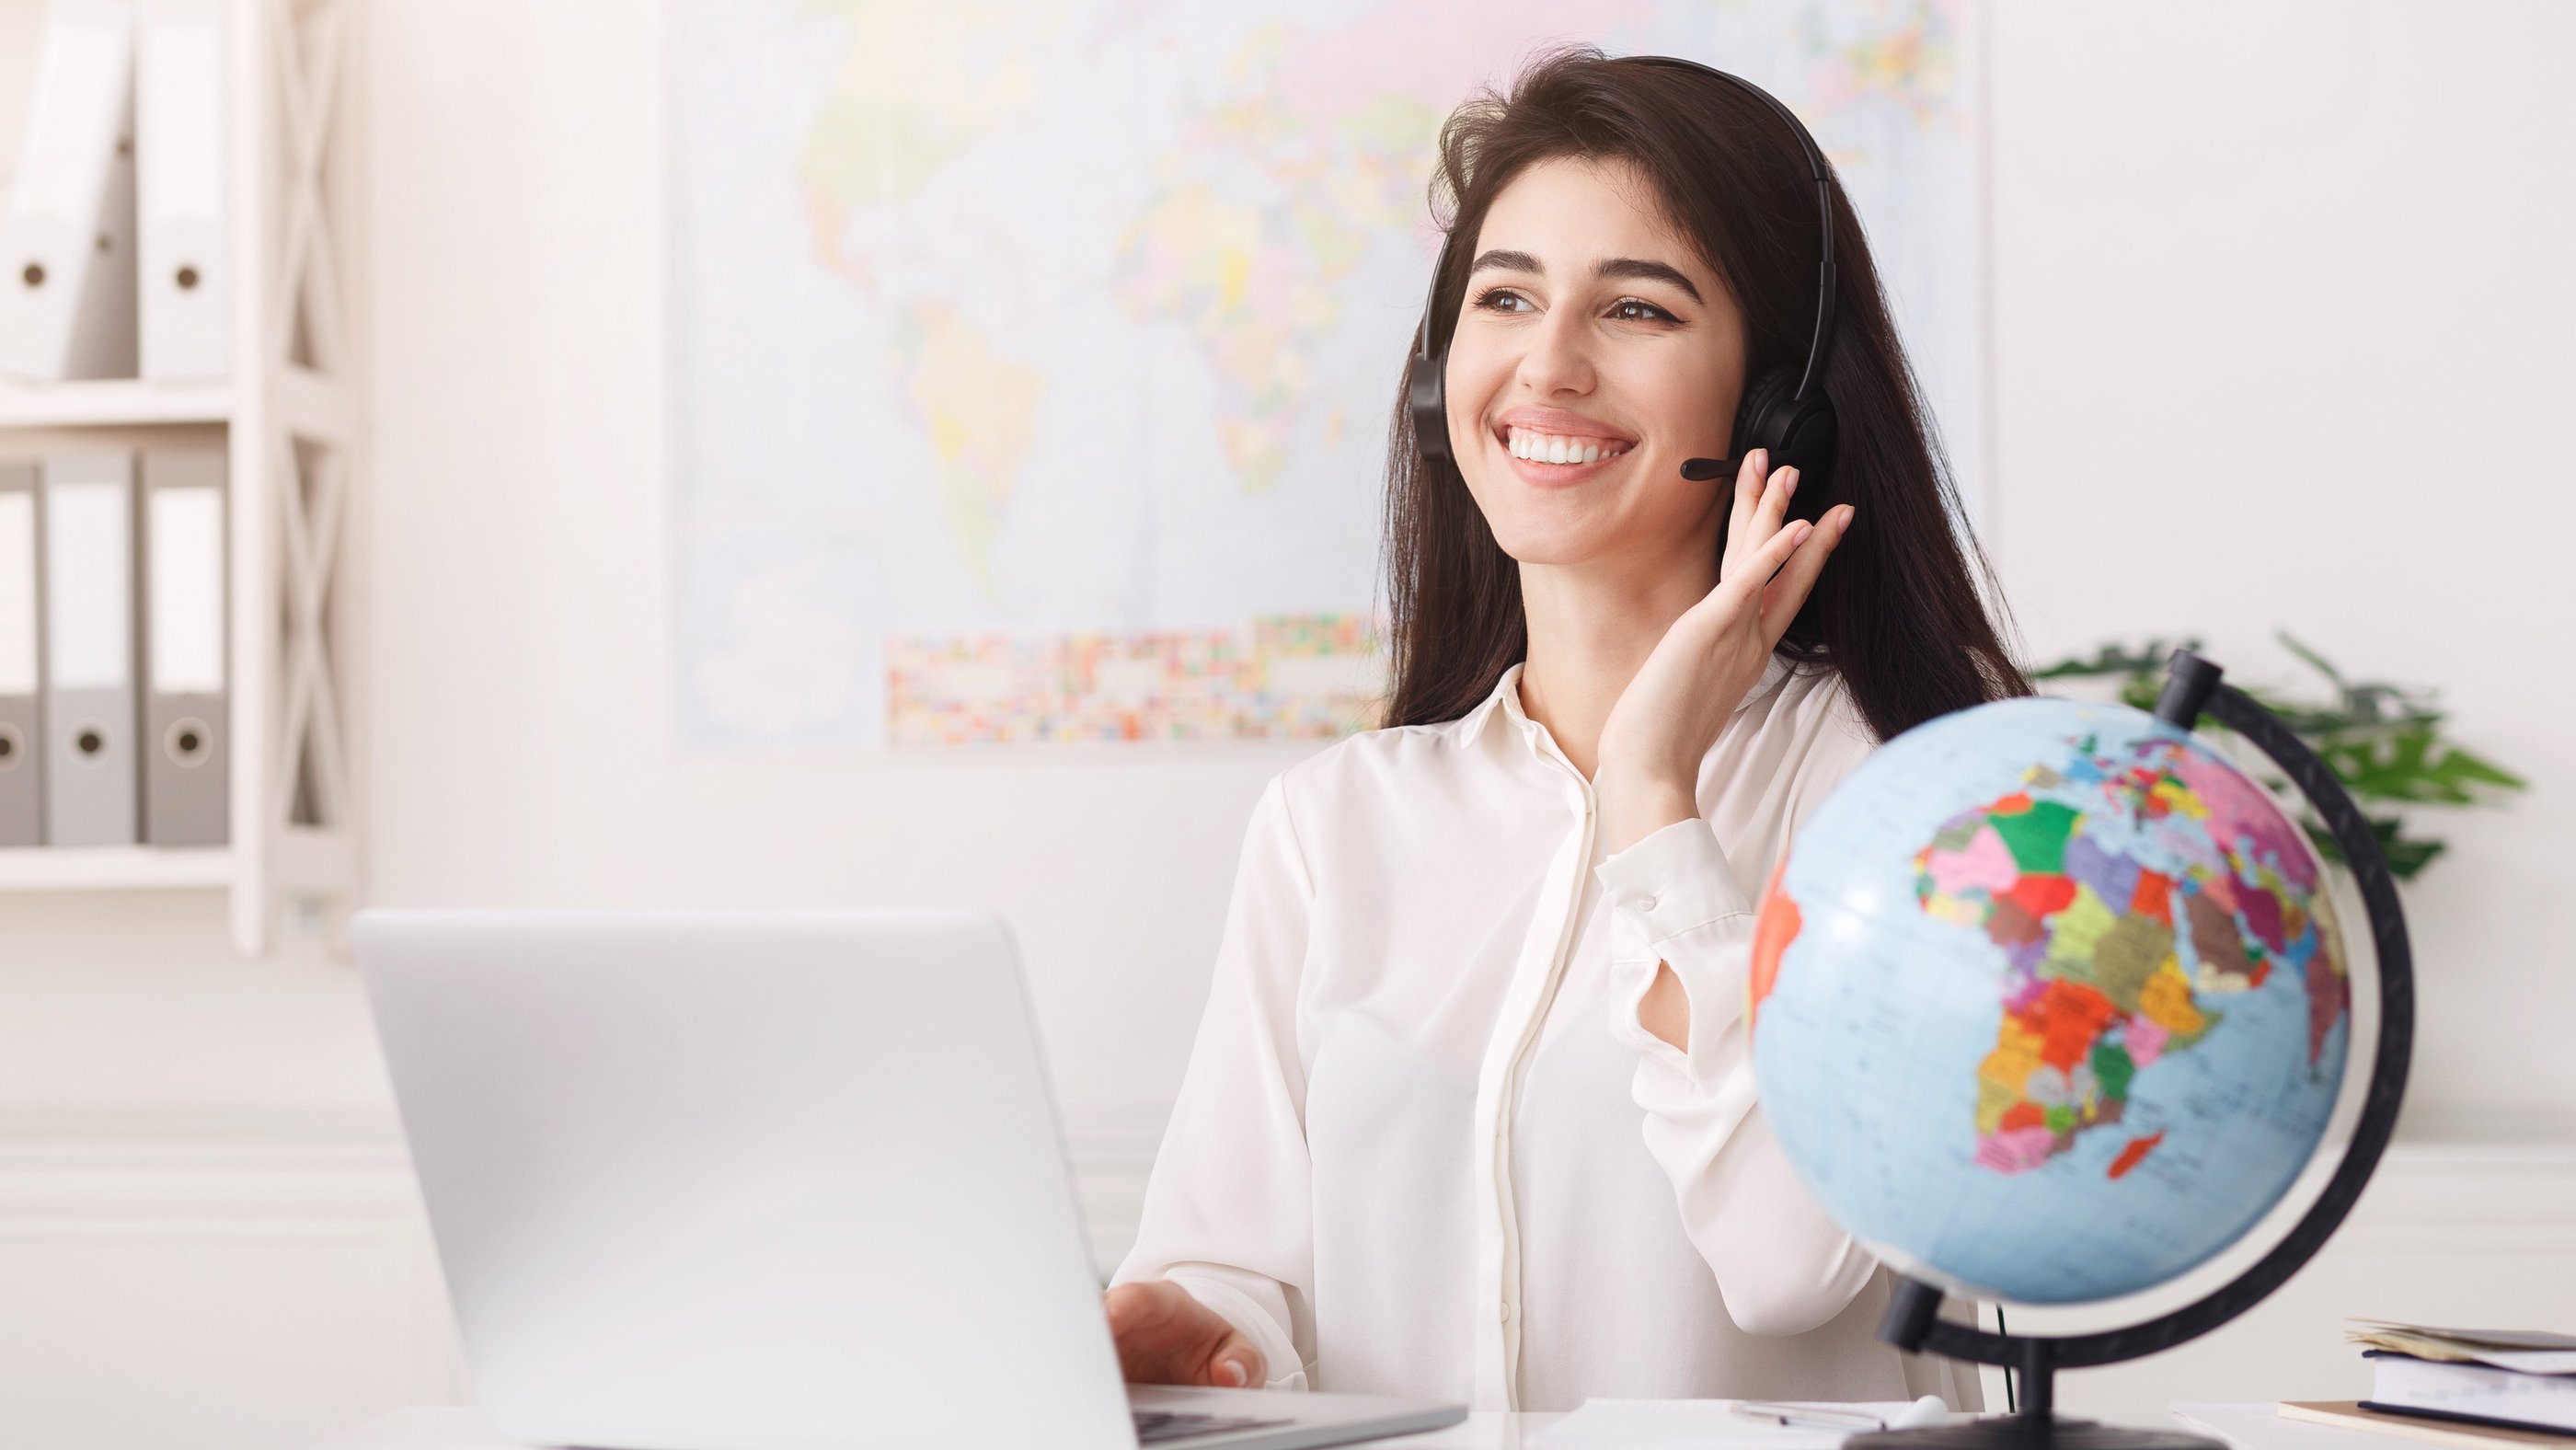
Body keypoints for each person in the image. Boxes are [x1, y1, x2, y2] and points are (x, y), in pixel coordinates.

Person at [1104, 47, 2027, 1414]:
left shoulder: (1914, 788)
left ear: (1781, 400)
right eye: (1505, 297)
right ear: (1441, 376)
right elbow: (1243, 1274)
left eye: (1638, 309)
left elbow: (1786, 1267)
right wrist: (1180, 1325)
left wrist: (1660, 800)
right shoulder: (1337, 822)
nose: (1548, 366)